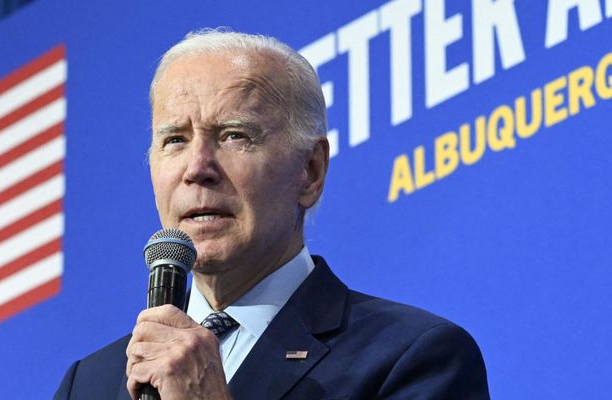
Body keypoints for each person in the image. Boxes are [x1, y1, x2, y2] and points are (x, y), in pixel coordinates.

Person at [54, 28, 489, 400]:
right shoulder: (90, 383)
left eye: (234, 135)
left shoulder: (411, 357)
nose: (197, 168)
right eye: (175, 140)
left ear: (310, 171)